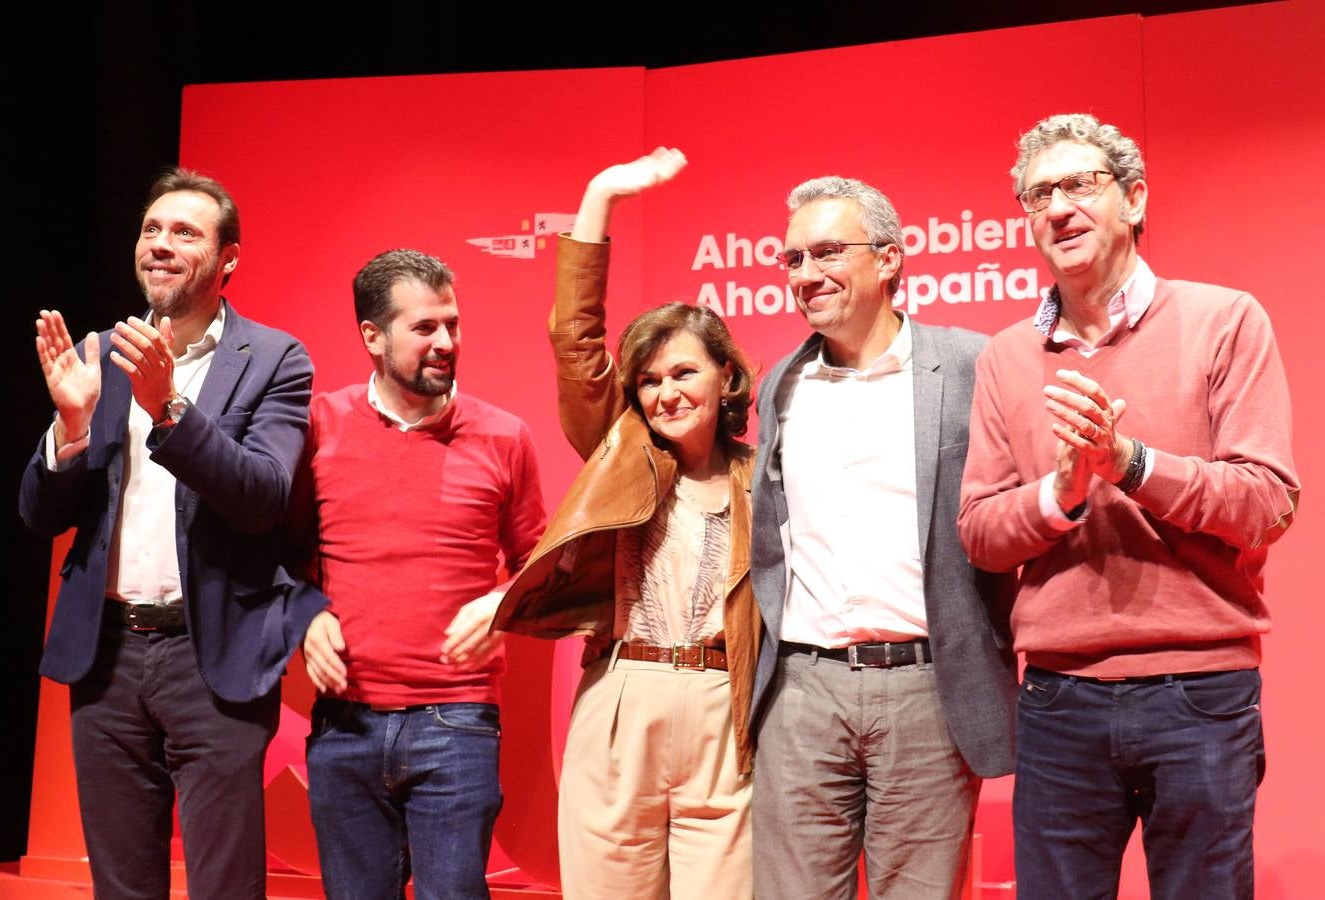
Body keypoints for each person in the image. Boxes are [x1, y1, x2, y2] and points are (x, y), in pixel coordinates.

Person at [958, 113, 1300, 900]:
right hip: (1056, 696)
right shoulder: (1005, 358)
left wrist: (1129, 464)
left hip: (1200, 693)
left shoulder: (1223, 321)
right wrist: (1061, 494)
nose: (1057, 208)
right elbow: (979, 533)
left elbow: (1266, 502)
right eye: (1037, 194)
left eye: (1080, 184)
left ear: (1135, 200)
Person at [19, 168, 319, 899]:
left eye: (184, 232)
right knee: (121, 885)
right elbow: (38, 514)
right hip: (108, 658)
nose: (160, 244)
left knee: (223, 884)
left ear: (228, 260)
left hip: (211, 656)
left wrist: (170, 410)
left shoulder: (275, 359)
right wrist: (72, 424)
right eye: (152, 229)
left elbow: (261, 497)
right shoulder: (101, 355)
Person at [491, 147, 760, 899]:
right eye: (648, 379)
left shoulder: (758, 479)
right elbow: (577, 345)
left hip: (722, 715)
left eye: (683, 372)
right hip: (622, 696)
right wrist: (601, 196)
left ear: (725, 377)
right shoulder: (620, 451)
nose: (666, 392)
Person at [748, 174, 1017, 900]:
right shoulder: (780, 385)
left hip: (926, 690)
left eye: (827, 252)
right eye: (793, 259)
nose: (806, 276)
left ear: (891, 259)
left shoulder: (970, 363)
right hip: (801, 691)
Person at [290, 248, 547, 900]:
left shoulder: (504, 436)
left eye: (452, 325)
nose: (445, 342)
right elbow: (277, 557)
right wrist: (304, 612)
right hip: (344, 724)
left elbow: (539, 566)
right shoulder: (317, 425)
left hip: (455, 725)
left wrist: (502, 604)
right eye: (424, 328)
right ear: (372, 337)